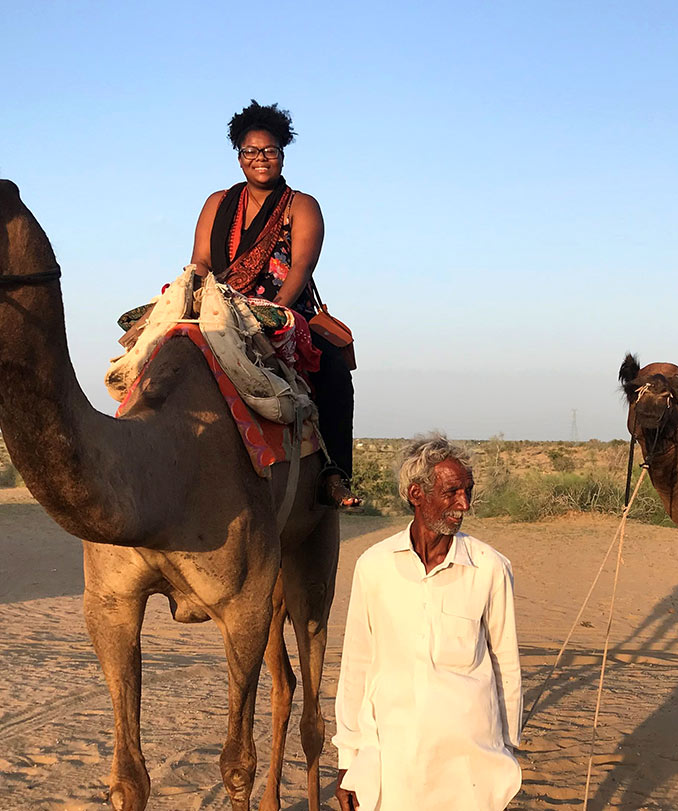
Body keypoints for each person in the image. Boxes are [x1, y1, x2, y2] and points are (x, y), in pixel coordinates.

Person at [332, 433, 522, 811]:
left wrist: (507, 747)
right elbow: (356, 664)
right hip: (393, 761)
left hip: (469, 763)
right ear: (416, 494)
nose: (464, 504)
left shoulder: (490, 568)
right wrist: (347, 763)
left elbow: (507, 665)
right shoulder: (374, 566)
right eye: (452, 492)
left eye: (467, 491)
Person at [188, 100, 360, 510]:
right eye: (251, 152)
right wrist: (188, 294)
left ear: (282, 153)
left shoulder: (302, 206)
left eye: (269, 151)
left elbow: (300, 267)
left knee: (334, 375)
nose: (260, 159)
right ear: (239, 156)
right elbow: (200, 262)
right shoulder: (216, 202)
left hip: (282, 313)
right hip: (220, 307)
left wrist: (272, 313)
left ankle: (334, 474)